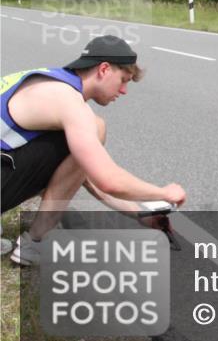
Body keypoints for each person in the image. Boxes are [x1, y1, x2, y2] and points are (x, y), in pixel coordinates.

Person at [0, 35, 186, 265]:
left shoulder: (48, 81)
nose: (124, 90)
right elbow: (108, 180)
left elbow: (81, 177)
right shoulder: (69, 102)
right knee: (96, 127)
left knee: (80, 151)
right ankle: (34, 243)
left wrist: (141, 215)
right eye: (123, 80)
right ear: (104, 69)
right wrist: (164, 193)